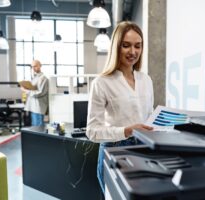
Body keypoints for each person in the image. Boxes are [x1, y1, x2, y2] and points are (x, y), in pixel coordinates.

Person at [86, 21, 154, 193]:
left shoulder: (146, 80)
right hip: (114, 151)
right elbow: (92, 131)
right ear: (116, 47)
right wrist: (126, 131)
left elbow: (149, 115)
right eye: (126, 46)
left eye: (138, 46)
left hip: (144, 150)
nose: (133, 52)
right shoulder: (101, 83)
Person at [21, 60, 49, 126]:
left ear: (40, 66)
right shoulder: (35, 78)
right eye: (32, 67)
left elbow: (40, 93)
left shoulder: (43, 78)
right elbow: (33, 90)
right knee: (34, 126)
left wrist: (26, 91)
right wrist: (27, 87)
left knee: (38, 127)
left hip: (38, 108)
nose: (33, 68)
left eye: (35, 66)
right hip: (33, 107)